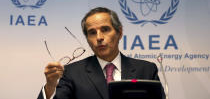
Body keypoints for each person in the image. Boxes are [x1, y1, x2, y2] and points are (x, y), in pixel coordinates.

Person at [37, 7, 165, 99]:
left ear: (119, 33)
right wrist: (50, 86)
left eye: (105, 29)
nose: (99, 37)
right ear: (87, 39)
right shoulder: (71, 72)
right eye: (92, 32)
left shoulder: (146, 70)